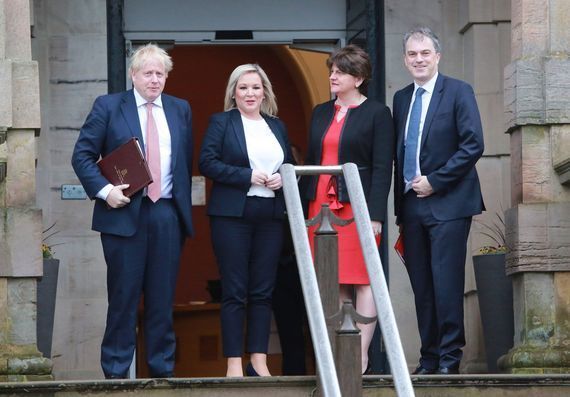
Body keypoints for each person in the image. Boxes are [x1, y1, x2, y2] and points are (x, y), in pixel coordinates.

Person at [71, 43, 193, 379]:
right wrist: (106, 192)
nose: (155, 80)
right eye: (148, 73)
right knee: (123, 298)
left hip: (167, 214)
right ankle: (115, 375)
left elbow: (183, 163)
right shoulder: (109, 106)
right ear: (133, 75)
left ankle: (161, 373)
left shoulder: (180, 109)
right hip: (124, 215)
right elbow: (82, 156)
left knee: (162, 299)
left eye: (160, 73)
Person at [392, 27, 485, 375]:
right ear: (405, 60)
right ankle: (429, 358)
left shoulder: (459, 91)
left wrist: (435, 181)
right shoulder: (401, 98)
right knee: (422, 287)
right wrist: (400, 208)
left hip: (449, 202)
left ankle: (449, 360)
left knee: (445, 283)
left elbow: (473, 144)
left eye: (425, 53)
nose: (419, 59)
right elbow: (398, 155)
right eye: (413, 54)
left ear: (437, 56)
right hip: (412, 205)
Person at [302, 44, 395, 374]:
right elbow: (313, 161)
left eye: (339, 72)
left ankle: (362, 351)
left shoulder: (378, 114)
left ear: (358, 78)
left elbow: (383, 167)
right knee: (334, 278)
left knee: (364, 277)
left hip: (357, 206)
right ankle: (339, 345)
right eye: (332, 70)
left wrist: (376, 216)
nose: (332, 76)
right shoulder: (320, 112)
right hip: (321, 206)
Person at [199, 64, 293, 377]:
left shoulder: (276, 126)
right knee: (235, 290)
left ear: (264, 91)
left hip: (270, 216)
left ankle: (259, 360)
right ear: (233, 93)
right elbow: (207, 162)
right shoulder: (222, 122)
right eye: (243, 88)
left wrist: (282, 177)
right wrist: (247, 175)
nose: (250, 93)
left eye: (255, 87)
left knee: (263, 291)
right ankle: (234, 364)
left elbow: (289, 165)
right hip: (232, 217)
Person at [272, 144, 309, 376]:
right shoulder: (274, 188)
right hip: (281, 267)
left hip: (309, 266)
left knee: (317, 327)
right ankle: (294, 378)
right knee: (289, 331)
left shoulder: (309, 185)